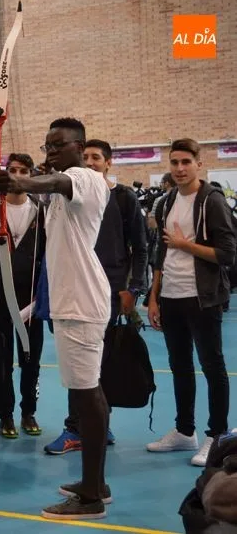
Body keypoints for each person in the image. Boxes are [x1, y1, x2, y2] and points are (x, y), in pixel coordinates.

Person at [0, 117, 111, 520]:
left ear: (79, 146)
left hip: (81, 302)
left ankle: (92, 497)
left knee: (86, 394)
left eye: (57, 146)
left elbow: (56, 182)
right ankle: (95, 482)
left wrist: (19, 183)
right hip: (68, 301)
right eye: (47, 147)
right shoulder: (64, 189)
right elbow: (52, 186)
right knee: (84, 394)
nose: (51, 154)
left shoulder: (87, 178)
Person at [44, 138, 149, 455]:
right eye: (85, 156)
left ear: (108, 163)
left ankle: (88, 427)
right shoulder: (66, 193)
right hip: (71, 291)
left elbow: (140, 248)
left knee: (99, 364)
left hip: (107, 291)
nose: (89, 162)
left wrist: (133, 289)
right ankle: (85, 426)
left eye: (96, 157)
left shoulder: (123, 198)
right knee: (79, 366)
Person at [146, 138, 235, 467]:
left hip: (204, 297)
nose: (180, 169)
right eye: (174, 163)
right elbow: (161, 251)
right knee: (180, 365)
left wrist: (187, 245)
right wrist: (153, 295)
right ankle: (185, 432)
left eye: (186, 162)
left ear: (199, 163)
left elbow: (227, 255)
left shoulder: (212, 201)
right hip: (170, 297)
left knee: (213, 367)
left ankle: (218, 435)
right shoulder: (166, 201)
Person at [0, 153, 45, 438]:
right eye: (12, 170)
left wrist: (46, 298)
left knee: (31, 360)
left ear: (30, 175)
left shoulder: (41, 211)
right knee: (2, 361)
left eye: (22, 171)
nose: (16, 175)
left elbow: (48, 257)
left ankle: (28, 411)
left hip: (32, 301)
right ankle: (6, 415)